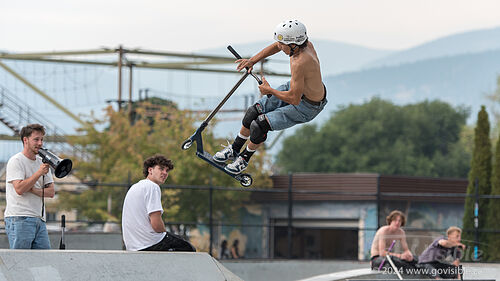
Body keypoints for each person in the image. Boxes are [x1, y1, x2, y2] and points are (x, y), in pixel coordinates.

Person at [213, 19, 327, 174]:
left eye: (282, 45)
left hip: (307, 106)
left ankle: (243, 159)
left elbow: (294, 99)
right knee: (253, 112)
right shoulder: (300, 45)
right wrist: (252, 60)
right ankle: (233, 150)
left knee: (260, 124)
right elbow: (276, 46)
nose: (280, 47)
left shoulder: (300, 62)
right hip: (297, 89)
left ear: (293, 44)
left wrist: (270, 91)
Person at [122, 154, 195, 252]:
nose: (165, 173)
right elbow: (156, 225)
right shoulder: (152, 187)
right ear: (150, 170)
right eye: (161, 169)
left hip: (132, 246)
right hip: (150, 243)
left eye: (167, 171)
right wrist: (165, 233)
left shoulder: (135, 187)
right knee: (188, 248)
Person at [4, 124, 55, 249]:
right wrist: (38, 173)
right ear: (25, 140)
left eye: (42, 139)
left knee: (45, 262)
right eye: (36, 139)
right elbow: (20, 189)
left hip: (39, 219)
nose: (40, 143)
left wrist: (33, 190)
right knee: (20, 262)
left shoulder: (42, 162)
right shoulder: (16, 161)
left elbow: (51, 192)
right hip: (19, 217)